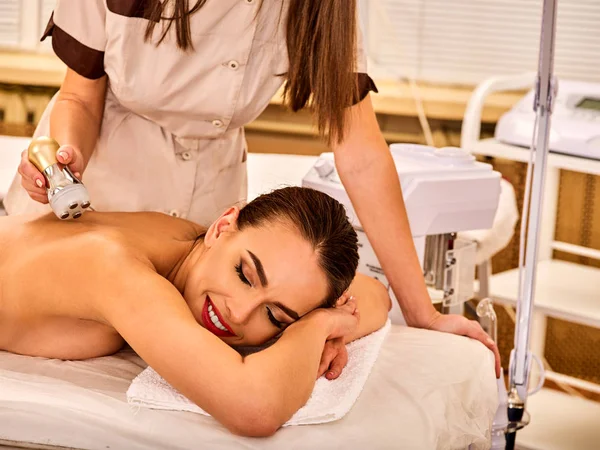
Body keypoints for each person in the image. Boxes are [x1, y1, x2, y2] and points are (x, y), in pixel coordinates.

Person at [5, 0, 500, 375]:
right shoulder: (114, 267)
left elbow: (362, 152)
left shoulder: (320, 7)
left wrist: (423, 313)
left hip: (204, 205)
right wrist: (64, 164)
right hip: (105, 188)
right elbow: (80, 96)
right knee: (97, 345)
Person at [0, 187, 391, 436]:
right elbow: (254, 407)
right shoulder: (114, 266)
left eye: (275, 317)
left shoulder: (193, 245)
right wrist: (319, 325)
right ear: (223, 226)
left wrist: (320, 320)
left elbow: (374, 295)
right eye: (244, 275)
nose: (239, 313)